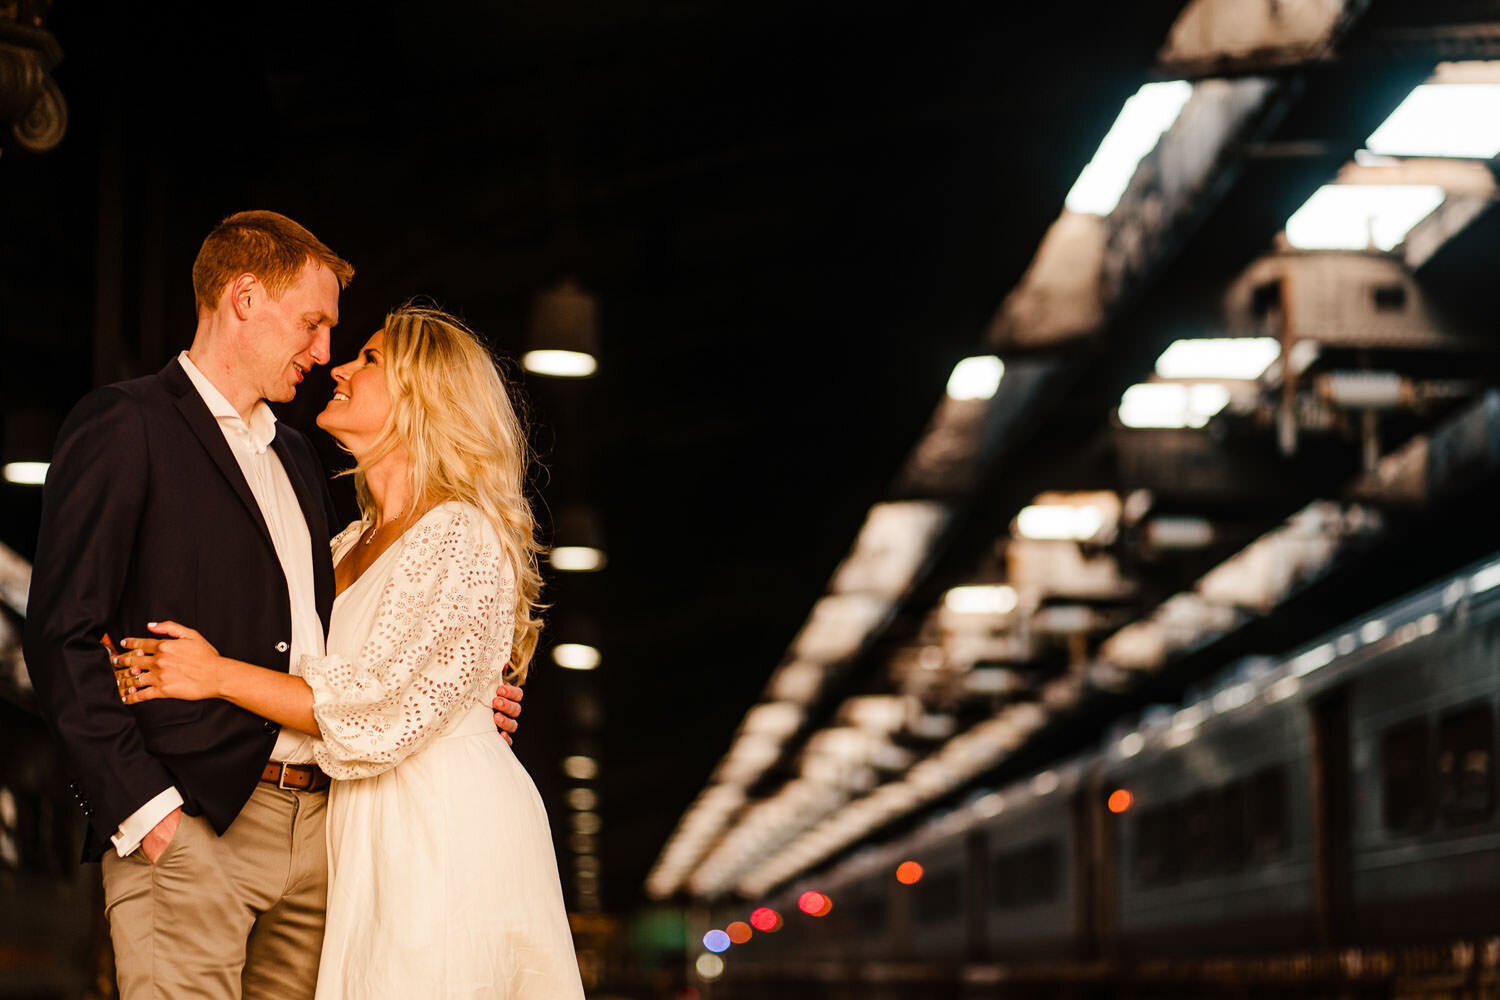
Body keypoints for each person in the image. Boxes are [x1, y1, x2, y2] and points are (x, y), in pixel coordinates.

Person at [22, 211, 526, 999]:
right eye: (315, 323)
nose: (325, 353)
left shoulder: (297, 460)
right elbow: (60, 634)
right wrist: (145, 812)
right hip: (192, 825)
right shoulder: (127, 426)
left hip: (327, 838)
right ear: (245, 297)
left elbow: (351, 648)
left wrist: (459, 695)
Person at [114, 305, 586, 998]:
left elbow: (378, 710)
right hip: (366, 832)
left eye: (369, 359)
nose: (339, 366)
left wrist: (213, 674)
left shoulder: (457, 530)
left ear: (422, 395)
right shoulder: (342, 546)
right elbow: (348, 683)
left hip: (439, 829)